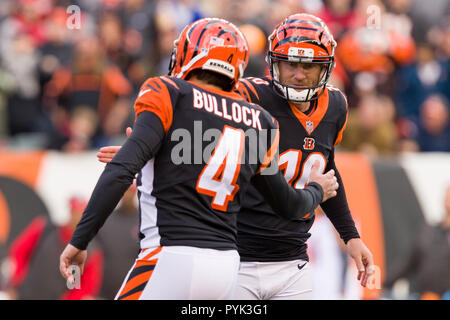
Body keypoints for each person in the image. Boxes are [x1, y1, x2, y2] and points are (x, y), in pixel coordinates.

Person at [99, 13, 375, 300]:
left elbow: (324, 170)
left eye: (308, 65)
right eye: (290, 63)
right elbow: (195, 111)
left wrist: (350, 236)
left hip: (294, 260)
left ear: (326, 67)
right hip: (240, 255)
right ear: (274, 63)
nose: (298, 73)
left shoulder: (336, 106)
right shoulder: (249, 95)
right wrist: (154, 144)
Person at [384, 185, 450, 299]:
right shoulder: (429, 231)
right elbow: (408, 263)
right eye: (447, 193)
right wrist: (384, 283)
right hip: (423, 295)